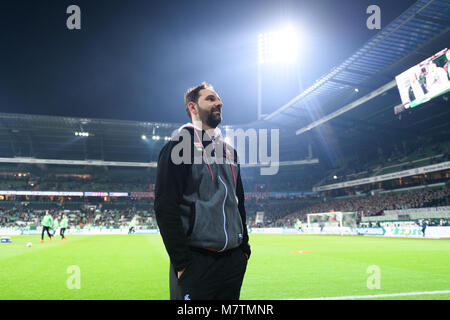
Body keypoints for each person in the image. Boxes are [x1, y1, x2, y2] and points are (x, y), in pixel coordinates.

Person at [155, 82, 250, 300]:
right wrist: (182, 262)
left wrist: (243, 249)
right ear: (193, 107)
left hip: (233, 262)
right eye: (210, 99)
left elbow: (239, 202)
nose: (219, 103)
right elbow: (165, 206)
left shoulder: (230, 152)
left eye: (218, 99)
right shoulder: (179, 146)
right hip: (196, 263)